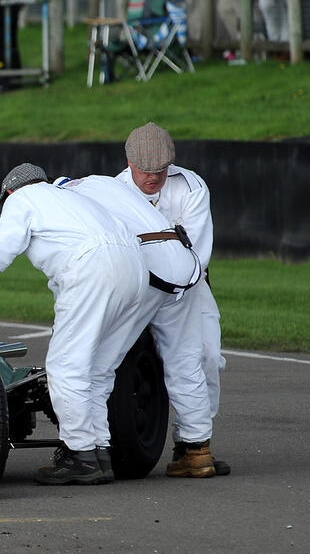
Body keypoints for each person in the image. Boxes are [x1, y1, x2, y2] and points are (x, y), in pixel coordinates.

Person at [0, 165, 158, 486]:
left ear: (10, 192)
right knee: (99, 369)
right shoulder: (69, 199)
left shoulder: (23, 199)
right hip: (137, 271)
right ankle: (99, 451)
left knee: (65, 368)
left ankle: (81, 455)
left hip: (94, 269)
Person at [55, 173, 216, 479]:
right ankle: (197, 451)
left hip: (148, 268)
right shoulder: (105, 182)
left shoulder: (67, 200)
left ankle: (94, 451)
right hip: (184, 263)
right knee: (186, 360)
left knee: (100, 363)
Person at [117, 122, 231, 476]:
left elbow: (197, 253)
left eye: (161, 170)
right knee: (105, 359)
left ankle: (192, 446)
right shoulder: (112, 191)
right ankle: (94, 446)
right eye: (146, 170)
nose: (153, 177)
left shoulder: (192, 187)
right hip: (132, 286)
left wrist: (172, 297)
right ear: (129, 163)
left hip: (187, 283)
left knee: (206, 357)